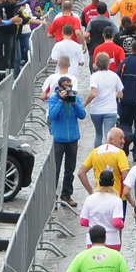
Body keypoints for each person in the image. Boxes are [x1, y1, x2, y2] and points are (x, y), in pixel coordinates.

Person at [48, 75, 87, 208]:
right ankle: (51, 195)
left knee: (69, 169)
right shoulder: (53, 99)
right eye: (65, 86)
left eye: (70, 86)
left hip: (72, 139)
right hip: (58, 138)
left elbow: (82, 115)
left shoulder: (76, 98)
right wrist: (61, 101)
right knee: (56, 169)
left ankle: (67, 194)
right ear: (59, 87)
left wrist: (74, 103)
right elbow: (52, 115)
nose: (68, 88)